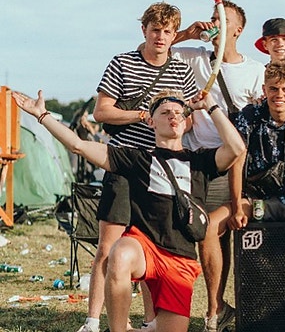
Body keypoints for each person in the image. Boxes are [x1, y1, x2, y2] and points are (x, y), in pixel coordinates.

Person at [13, 88, 245, 332]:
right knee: (120, 253)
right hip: (144, 248)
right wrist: (42, 115)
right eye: (165, 112)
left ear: (187, 122)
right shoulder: (136, 158)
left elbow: (236, 148)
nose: (173, 116)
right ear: (151, 122)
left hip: (180, 260)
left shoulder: (200, 161)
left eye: (178, 112)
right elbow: (77, 145)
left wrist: (211, 106)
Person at [87, 2, 198, 332]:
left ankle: (150, 322)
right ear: (144, 31)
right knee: (109, 245)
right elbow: (101, 112)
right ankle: (93, 321)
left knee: (155, 247)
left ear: (174, 35)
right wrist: (142, 115)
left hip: (162, 169)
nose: (160, 37)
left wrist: (172, 125)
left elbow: (190, 119)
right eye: (155, 30)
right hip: (125, 162)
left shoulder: (182, 71)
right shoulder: (122, 63)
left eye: (167, 32)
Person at [204, 62, 285, 324]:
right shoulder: (249, 115)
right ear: (264, 89)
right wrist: (237, 206)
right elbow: (237, 162)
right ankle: (216, 309)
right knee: (209, 227)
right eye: (273, 89)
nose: (279, 95)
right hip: (256, 196)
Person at [171, 0, 265, 332]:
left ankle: (216, 307)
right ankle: (217, 306)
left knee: (217, 233)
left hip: (233, 163)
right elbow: (156, 47)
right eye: (213, 18)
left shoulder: (254, 70)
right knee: (203, 234)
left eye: (222, 20)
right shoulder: (194, 56)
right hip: (197, 160)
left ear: (237, 30)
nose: (214, 23)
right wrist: (188, 32)